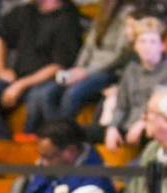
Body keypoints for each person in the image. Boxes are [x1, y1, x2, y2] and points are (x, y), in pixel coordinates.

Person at [0, 0, 82, 139]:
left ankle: (30, 144)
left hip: (48, 81)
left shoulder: (68, 17)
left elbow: (59, 65)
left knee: (39, 96)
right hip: (17, 78)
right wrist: (2, 69)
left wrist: (21, 85)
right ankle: (3, 144)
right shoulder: (25, 11)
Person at [29, 0, 135, 130]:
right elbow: (88, 47)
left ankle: (63, 135)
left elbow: (120, 55)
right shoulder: (103, 12)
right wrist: (78, 68)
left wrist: (86, 72)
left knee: (72, 94)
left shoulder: (130, 14)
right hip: (83, 69)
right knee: (45, 91)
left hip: (109, 72)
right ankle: (45, 133)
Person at [104, 16, 167, 151]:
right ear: (135, 46)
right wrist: (112, 127)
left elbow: (166, 110)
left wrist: (143, 122)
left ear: (162, 46)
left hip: (153, 128)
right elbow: (121, 105)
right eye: (142, 42)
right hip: (127, 123)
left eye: (152, 42)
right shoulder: (131, 69)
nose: (147, 47)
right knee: (79, 131)